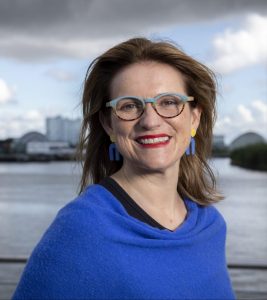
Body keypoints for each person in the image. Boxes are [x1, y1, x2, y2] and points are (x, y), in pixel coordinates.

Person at [13, 37, 235, 299]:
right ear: (109, 125)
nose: (151, 121)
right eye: (129, 106)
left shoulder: (210, 224)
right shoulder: (82, 228)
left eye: (169, 102)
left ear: (194, 117)